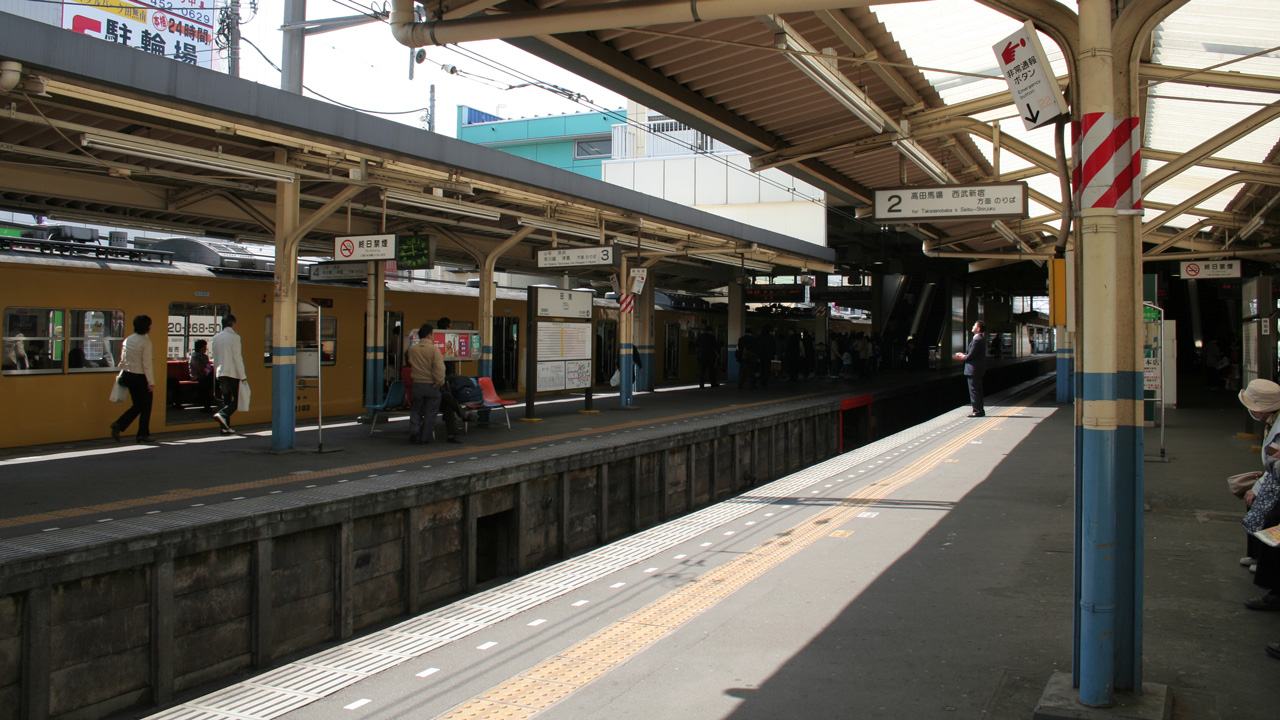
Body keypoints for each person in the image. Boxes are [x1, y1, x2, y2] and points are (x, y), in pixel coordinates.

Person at [110, 315, 156, 443]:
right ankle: (143, 434)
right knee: (146, 407)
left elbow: (123, 359)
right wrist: (151, 382)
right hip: (141, 377)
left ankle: (119, 424)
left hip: (128, 375)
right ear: (147, 327)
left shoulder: (128, 340)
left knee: (137, 405)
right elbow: (147, 364)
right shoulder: (146, 342)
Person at [406, 323, 451, 444]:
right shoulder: (434, 349)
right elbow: (439, 368)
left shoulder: (412, 349)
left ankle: (414, 430)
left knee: (416, 410)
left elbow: (410, 363)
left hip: (417, 384)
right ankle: (424, 437)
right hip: (431, 385)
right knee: (430, 413)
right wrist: (439, 382)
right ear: (429, 335)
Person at [209, 314, 246, 435]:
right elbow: (237, 357)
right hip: (232, 373)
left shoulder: (216, 338)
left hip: (221, 373)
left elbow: (214, 357)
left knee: (226, 400)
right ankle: (222, 414)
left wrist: (216, 373)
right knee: (239, 398)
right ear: (232, 323)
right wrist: (242, 375)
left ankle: (225, 427)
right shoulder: (234, 337)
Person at [954, 320, 988, 417]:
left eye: (974, 325)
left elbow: (971, 356)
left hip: (973, 370)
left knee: (974, 391)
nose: (972, 326)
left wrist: (962, 357)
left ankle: (977, 411)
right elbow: (973, 354)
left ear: (978, 328)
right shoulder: (980, 339)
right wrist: (964, 355)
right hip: (977, 369)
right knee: (977, 390)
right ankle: (979, 409)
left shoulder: (977, 340)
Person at [188, 339, 215, 412]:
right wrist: (207, 370)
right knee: (206, 382)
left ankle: (208, 402)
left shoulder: (205, 356)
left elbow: (207, 367)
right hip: (197, 376)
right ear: (200, 347)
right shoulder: (194, 357)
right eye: (204, 347)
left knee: (209, 381)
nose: (206, 349)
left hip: (205, 376)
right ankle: (207, 403)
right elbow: (200, 368)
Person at [695, 322, 719, 388]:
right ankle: (713, 383)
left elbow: (696, 344)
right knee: (711, 371)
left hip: (701, 356)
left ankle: (701, 384)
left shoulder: (700, 336)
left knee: (702, 371)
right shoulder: (712, 337)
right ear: (710, 331)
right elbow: (716, 346)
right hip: (710, 356)